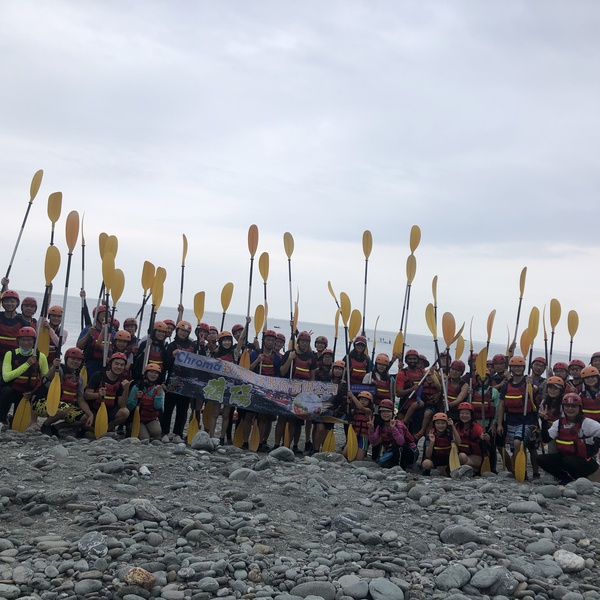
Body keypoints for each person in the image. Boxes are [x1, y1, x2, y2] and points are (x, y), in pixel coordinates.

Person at [539, 393, 600, 485]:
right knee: (541, 459)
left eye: (574, 406)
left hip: (586, 461)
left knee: (568, 460)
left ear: (579, 408)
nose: (570, 409)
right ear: (563, 407)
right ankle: (566, 479)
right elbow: (546, 439)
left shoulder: (588, 424)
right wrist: (544, 421)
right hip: (566, 457)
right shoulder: (558, 423)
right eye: (567, 406)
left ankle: (581, 479)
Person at [29, 347, 93, 435]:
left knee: (84, 418)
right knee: (65, 408)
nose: (75, 362)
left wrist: (90, 414)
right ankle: (46, 425)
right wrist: (54, 367)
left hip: (63, 407)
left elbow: (80, 399)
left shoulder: (80, 378)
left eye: (78, 360)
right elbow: (48, 378)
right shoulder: (58, 371)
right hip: (42, 403)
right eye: (73, 358)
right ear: (66, 359)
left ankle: (55, 428)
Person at [497, 355, 539, 477]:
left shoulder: (528, 382)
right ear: (511, 368)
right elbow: (501, 405)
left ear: (524, 368)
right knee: (518, 447)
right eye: (514, 367)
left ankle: (532, 472)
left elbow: (535, 389)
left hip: (527, 420)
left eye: (520, 367)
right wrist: (499, 424)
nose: (517, 369)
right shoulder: (507, 385)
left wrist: (531, 385)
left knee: (518, 443)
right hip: (511, 421)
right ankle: (521, 471)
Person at [0, 326, 50, 425]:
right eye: (23, 340)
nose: (26, 343)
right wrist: (27, 364)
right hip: (14, 390)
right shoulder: (11, 354)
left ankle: (23, 419)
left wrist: (33, 392)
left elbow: (45, 379)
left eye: (29, 340)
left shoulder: (41, 356)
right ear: (18, 341)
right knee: (6, 391)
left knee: (15, 424)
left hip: (30, 393)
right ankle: (2, 418)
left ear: (34, 341)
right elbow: (6, 377)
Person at [162, 320, 196, 444]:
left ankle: (178, 433)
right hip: (172, 381)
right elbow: (166, 364)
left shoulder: (193, 346)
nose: (183, 333)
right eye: (181, 330)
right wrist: (172, 356)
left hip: (186, 382)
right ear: (177, 330)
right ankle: (164, 432)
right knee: (169, 408)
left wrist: (202, 346)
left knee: (182, 409)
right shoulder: (171, 345)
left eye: (186, 331)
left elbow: (201, 360)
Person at [248, 329, 281, 451]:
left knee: (264, 418)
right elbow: (248, 370)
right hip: (255, 389)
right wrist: (257, 361)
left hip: (268, 391)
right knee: (249, 416)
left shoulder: (276, 358)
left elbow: (278, 376)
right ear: (264, 340)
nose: (270, 342)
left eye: (272, 340)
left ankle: (261, 442)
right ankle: (247, 441)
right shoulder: (255, 354)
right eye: (268, 339)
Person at [84, 352, 131, 433]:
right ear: (110, 364)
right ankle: (91, 428)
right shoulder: (98, 375)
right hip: (95, 409)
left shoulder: (122, 382)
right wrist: (98, 395)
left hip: (109, 410)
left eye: (122, 365)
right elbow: (86, 395)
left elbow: (122, 405)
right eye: (116, 364)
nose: (119, 367)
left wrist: (126, 390)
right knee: (84, 419)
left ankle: (107, 429)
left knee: (125, 412)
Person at [368, 399, 416, 469]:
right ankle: (394, 463)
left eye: (388, 412)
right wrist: (371, 429)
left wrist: (393, 428)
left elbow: (401, 442)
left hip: (409, 451)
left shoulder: (399, 424)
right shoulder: (381, 426)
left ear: (393, 413)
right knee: (381, 462)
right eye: (383, 412)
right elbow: (373, 442)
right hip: (393, 451)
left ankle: (400, 466)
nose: (386, 414)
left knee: (395, 444)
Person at [127, 363, 165, 441]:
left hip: (150, 419)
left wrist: (158, 394)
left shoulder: (158, 389)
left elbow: (158, 406)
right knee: (145, 438)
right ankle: (131, 428)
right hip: (137, 418)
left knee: (157, 432)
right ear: (146, 373)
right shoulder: (137, 387)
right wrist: (135, 398)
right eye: (151, 372)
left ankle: (145, 429)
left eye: (156, 373)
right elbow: (129, 406)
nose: (153, 375)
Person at [454, 402, 486, 471]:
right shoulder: (456, 426)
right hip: (461, 454)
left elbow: (481, 433)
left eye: (467, 413)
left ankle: (471, 468)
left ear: (471, 415)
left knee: (462, 456)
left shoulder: (476, 426)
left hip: (475, 457)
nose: (464, 415)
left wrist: (484, 436)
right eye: (462, 413)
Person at [342, 390, 373, 461]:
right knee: (345, 455)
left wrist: (352, 396)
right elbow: (348, 412)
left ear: (369, 402)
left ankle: (361, 452)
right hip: (355, 433)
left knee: (359, 459)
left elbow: (361, 407)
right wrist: (348, 403)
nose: (363, 401)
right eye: (361, 399)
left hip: (364, 436)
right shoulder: (355, 410)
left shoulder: (368, 411)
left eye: (365, 400)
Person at [0, 290, 28, 357]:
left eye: (12, 301)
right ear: (2, 303)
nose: (9, 304)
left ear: (17, 303)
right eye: (6, 301)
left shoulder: (23, 322)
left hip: (14, 357)